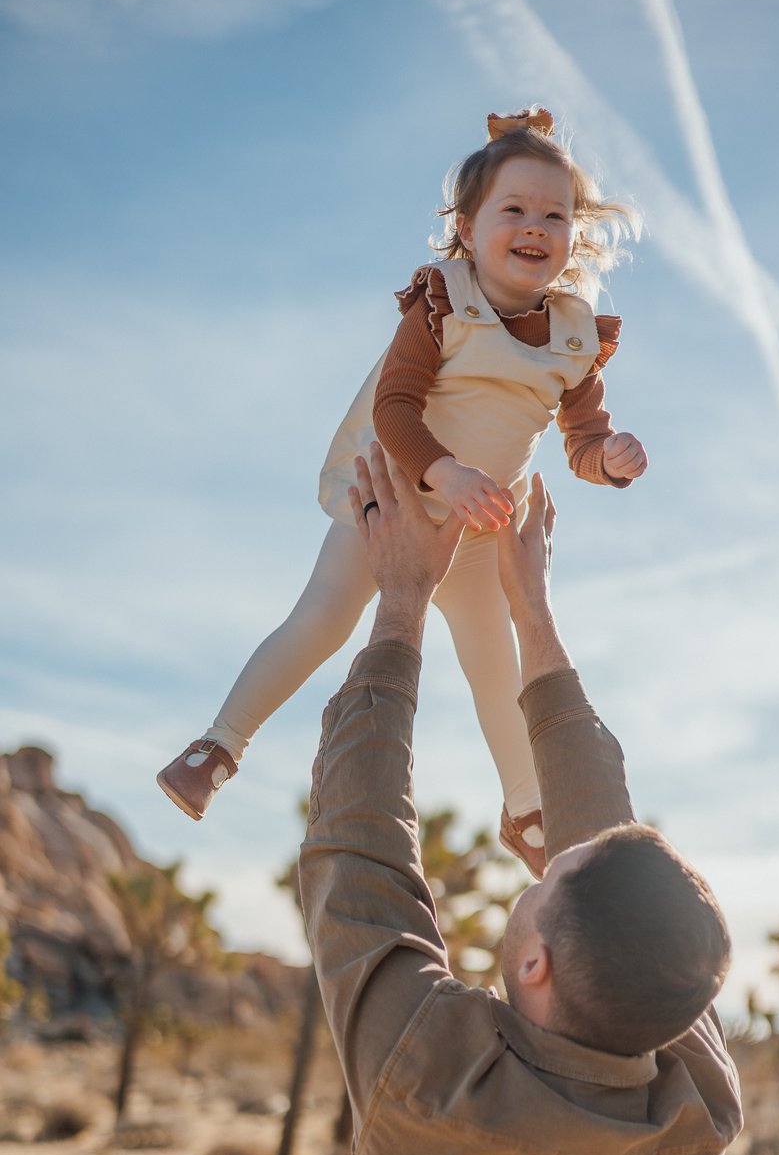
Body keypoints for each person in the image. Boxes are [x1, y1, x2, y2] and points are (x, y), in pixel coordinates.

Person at [235, 445, 743, 1155]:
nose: (539, 857)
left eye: (542, 880)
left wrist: (403, 600)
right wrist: (530, 608)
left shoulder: (431, 1077)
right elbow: (606, 856)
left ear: (534, 963)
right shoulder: (695, 1107)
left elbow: (354, 845)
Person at [157, 106, 647, 876]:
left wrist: (609, 458)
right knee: (322, 617)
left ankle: (527, 813)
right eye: (513, 209)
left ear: (573, 237)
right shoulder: (441, 303)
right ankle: (218, 744)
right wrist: (441, 471)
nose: (534, 226)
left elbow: (581, 439)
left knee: (495, 664)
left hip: (481, 532)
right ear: (467, 226)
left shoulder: (575, 337)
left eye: (553, 214)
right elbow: (395, 406)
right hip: (392, 501)